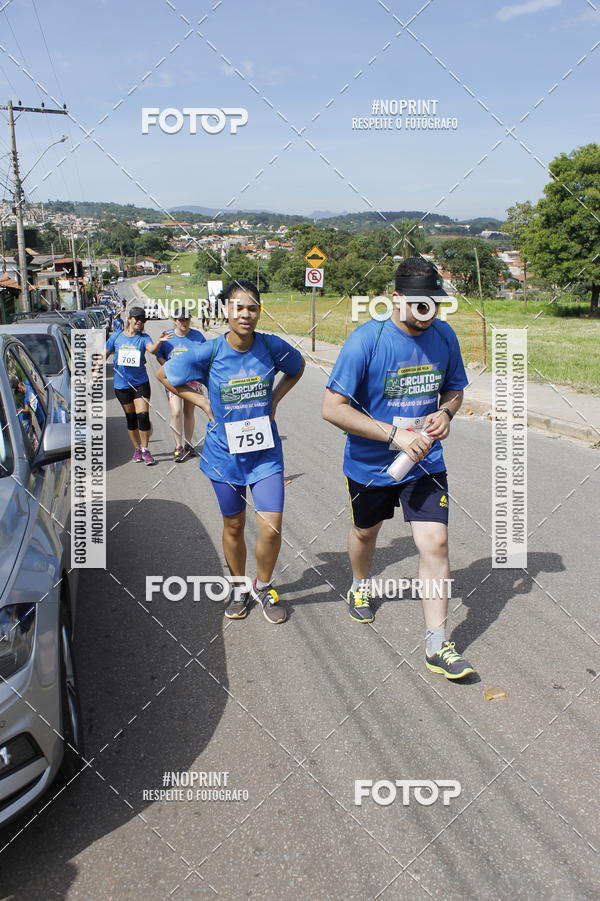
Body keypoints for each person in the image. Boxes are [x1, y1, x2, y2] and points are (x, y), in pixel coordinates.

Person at [322, 256, 475, 680]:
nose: (429, 311)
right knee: (365, 533)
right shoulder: (365, 341)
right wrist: (393, 435)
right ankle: (359, 584)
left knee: (436, 544)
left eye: (435, 303)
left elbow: (454, 390)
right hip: (371, 465)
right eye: (420, 302)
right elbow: (332, 408)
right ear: (396, 298)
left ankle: (437, 643)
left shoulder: (444, 336)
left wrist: (446, 412)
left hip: (425, 462)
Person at [157, 279, 305, 624]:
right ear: (226, 310)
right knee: (234, 525)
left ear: (259, 311)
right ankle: (239, 587)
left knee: (271, 526)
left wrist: (274, 400)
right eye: (239, 307)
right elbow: (166, 375)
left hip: (265, 454)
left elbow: (295, 369)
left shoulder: (271, 347)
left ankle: (264, 585)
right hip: (225, 457)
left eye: (253, 307)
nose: (246, 314)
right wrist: (202, 402)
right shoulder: (208, 352)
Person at [98, 306, 170, 465]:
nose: (139, 321)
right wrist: (95, 371)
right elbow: (104, 354)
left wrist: (159, 341)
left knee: (143, 416)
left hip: (140, 383)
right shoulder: (116, 337)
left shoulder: (144, 338)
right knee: (131, 419)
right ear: (129, 319)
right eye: (137, 318)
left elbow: (152, 350)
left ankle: (145, 450)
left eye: (142, 319)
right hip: (121, 385)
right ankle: (137, 449)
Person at [156, 311, 206, 461]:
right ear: (175, 321)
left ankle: (189, 444)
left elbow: (205, 355)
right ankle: (178, 446)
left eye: (187, 320)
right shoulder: (168, 336)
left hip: (192, 381)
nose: (184, 323)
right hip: (174, 381)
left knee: (189, 412)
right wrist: (169, 369)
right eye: (181, 320)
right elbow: (159, 355)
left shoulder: (198, 336)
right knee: (176, 412)